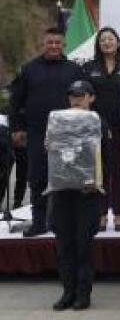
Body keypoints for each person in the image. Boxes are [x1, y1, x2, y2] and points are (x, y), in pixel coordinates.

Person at [9, 27, 84, 237]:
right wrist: (17, 128)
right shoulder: (28, 69)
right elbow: (16, 101)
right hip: (36, 132)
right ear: (43, 44)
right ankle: (39, 222)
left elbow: (86, 100)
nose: (53, 46)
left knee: (67, 179)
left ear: (64, 45)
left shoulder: (74, 70)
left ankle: (63, 223)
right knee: (38, 178)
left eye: (57, 42)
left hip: (68, 133)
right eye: (49, 42)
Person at [48, 80, 104, 311]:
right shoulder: (56, 121)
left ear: (91, 98)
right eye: (72, 95)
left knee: (83, 245)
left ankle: (83, 294)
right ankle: (67, 292)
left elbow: (105, 158)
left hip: (88, 193)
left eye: (81, 95)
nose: (76, 99)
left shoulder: (99, 122)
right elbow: (50, 151)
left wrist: (96, 181)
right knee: (63, 246)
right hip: (61, 192)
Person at [82, 27, 120, 233]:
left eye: (110, 39)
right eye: (102, 40)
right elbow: (84, 96)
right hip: (95, 127)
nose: (106, 42)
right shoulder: (88, 67)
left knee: (119, 171)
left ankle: (119, 215)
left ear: (118, 42)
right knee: (99, 171)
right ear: (98, 44)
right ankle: (101, 214)